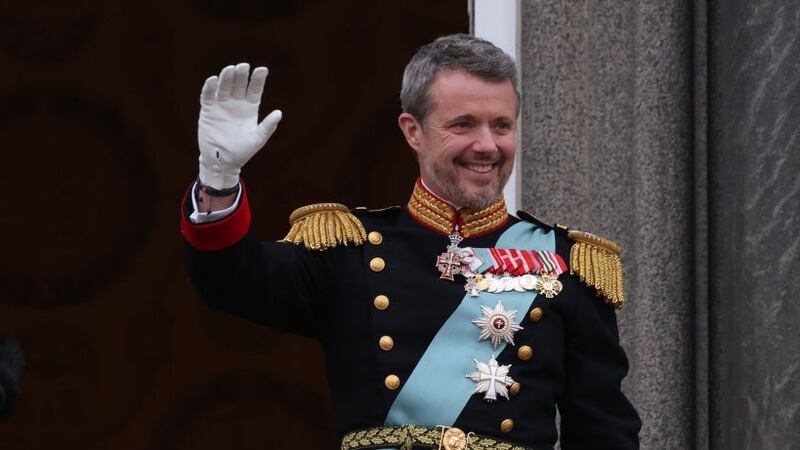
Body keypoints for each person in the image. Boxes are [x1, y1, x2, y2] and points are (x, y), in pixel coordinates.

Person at [181, 34, 641, 450]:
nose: (487, 145)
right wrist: (218, 180)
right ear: (412, 131)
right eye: (463, 125)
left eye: (501, 126)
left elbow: (604, 432)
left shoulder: (565, 263)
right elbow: (231, 282)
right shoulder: (349, 250)